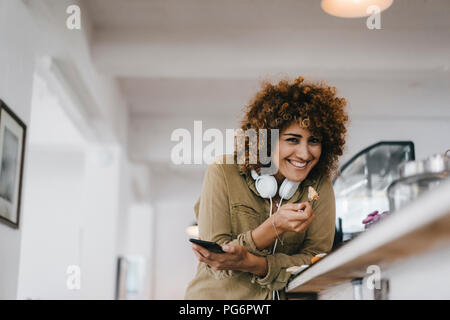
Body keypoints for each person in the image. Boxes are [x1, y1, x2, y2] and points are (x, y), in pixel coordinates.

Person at [184, 76, 348, 300]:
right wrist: (274, 226)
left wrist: (256, 264)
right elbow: (216, 262)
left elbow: (316, 261)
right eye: (293, 139)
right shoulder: (224, 172)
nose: (305, 153)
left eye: (314, 140)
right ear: (268, 140)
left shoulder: (318, 184)